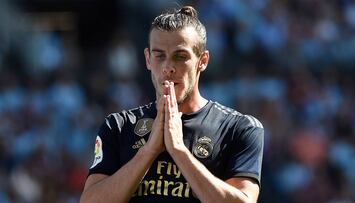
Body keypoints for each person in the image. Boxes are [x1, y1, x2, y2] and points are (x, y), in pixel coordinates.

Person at [80, 5, 264, 203]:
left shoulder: (239, 128)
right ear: (148, 59)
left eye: (180, 56)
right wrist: (149, 151)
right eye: (159, 55)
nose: (168, 68)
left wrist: (178, 150)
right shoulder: (118, 126)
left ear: (202, 61)